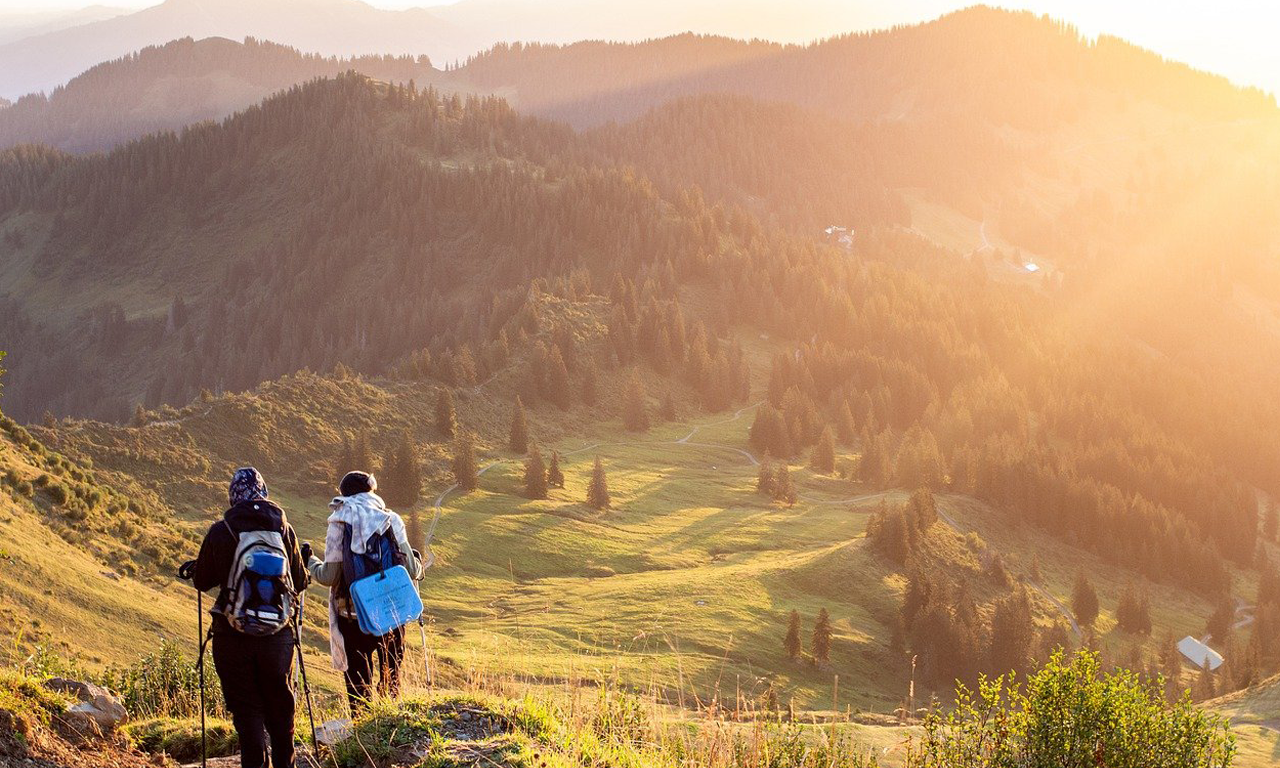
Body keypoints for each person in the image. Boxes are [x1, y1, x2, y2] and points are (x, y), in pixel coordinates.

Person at [191, 468, 308, 768]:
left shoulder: (222, 530)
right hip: (278, 636)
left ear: (233, 496)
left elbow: (202, 581)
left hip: (232, 635)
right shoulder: (284, 530)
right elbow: (300, 580)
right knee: (281, 712)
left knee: (247, 712)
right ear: (264, 493)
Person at [303, 470, 426, 714]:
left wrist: (310, 561)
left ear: (344, 494)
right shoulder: (391, 519)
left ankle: (361, 734)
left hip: (353, 615)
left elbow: (329, 576)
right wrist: (418, 564)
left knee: (358, 686)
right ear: (371, 491)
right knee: (391, 680)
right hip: (391, 614)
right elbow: (411, 570)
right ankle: (390, 733)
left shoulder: (339, 521)